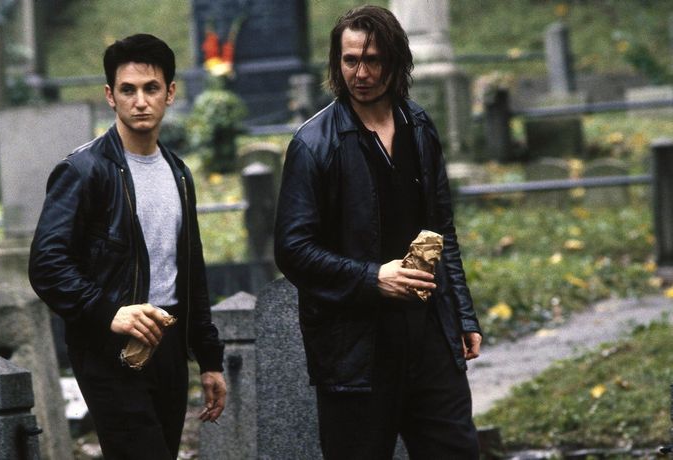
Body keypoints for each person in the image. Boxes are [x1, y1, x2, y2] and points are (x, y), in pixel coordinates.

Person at [274, 5, 483, 459]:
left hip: (428, 337)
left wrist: (462, 316)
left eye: (373, 60)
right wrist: (373, 277)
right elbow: (292, 250)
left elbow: (441, 229)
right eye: (350, 60)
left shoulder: (418, 126)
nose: (361, 73)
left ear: (396, 61)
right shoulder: (313, 144)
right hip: (355, 350)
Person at [29, 33, 226, 460]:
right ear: (110, 96)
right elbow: (46, 264)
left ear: (170, 93)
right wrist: (108, 312)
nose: (140, 102)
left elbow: (190, 271)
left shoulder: (178, 172)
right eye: (128, 90)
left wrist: (209, 360)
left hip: (169, 343)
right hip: (109, 348)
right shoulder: (84, 170)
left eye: (151, 88)